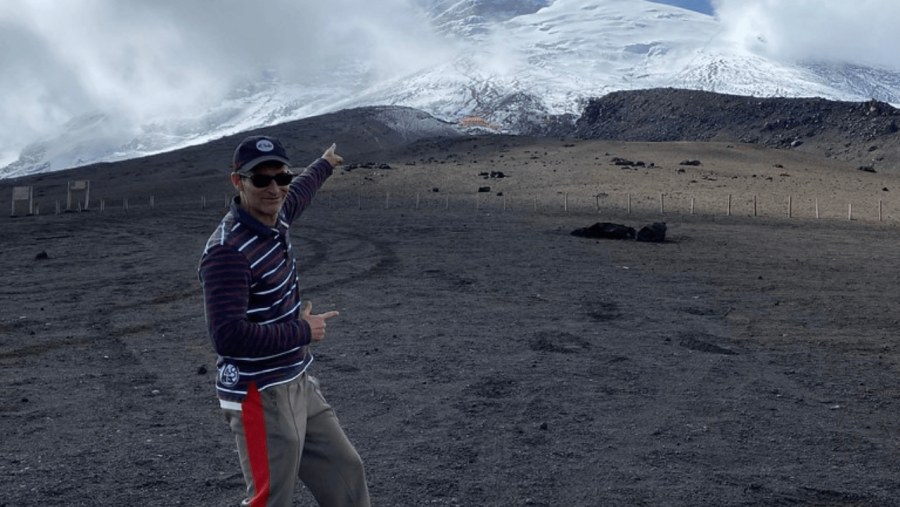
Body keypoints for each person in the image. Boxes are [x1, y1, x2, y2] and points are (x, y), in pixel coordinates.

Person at [198, 135, 370, 506]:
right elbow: (227, 337)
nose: (274, 188)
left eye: (282, 177)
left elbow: (300, 192)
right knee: (270, 499)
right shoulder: (227, 252)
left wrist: (324, 163)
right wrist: (301, 331)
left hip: (298, 381)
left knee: (347, 472)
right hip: (259, 394)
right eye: (261, 180)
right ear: (238, 182)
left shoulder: (277, 218)